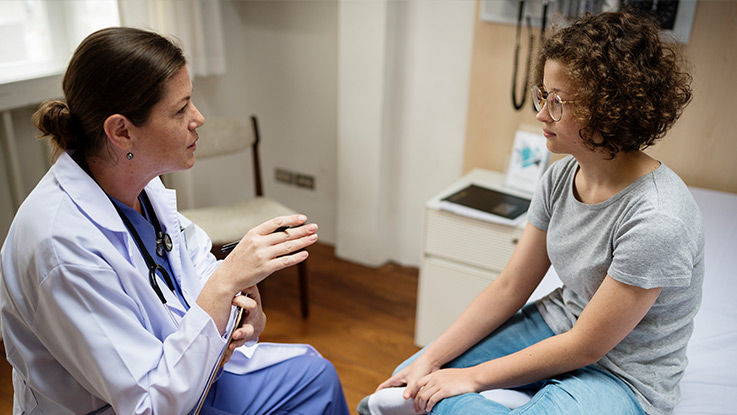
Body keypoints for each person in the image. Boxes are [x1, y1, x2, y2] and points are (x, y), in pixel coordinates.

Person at [360, 11, 700, 415]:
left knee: (437, 399)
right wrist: (429, 358)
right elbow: (510, 287)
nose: (541, 114)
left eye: (558, 103)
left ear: (609, 110)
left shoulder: (658, 220)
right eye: (544, 95)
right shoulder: (559, 179)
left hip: (623, 372)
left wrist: (471, 376)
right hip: (560, 323)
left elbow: (588, 346)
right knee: (404, 386)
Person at [0, 27, 349, 415]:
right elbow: (148, 405)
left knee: (316, 377)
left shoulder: (139, 188)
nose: (198, 118)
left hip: (187, 376)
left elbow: (195, 271)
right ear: (121, 131)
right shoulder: (60, 248)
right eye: (180, 109)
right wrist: (226, 282)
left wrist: (243, 311)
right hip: (129, 406)